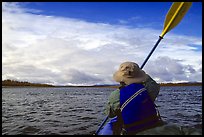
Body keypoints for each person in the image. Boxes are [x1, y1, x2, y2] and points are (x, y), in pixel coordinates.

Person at [103, 61, 164, 135]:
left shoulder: (116, 95)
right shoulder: (149, 88)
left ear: (121, 79)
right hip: (152, 124)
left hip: (131, 130)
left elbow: (110, 114)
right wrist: (139, 74)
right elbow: (153, 83)